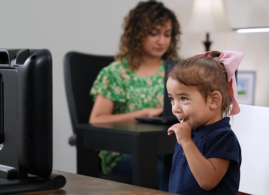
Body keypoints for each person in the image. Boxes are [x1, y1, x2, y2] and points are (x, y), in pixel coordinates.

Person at [89, 0, 181, 191]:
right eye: (153, 33)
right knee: (169, 167)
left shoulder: (177, 71)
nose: (162, 41)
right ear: (137, 34)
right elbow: (97, 120)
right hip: (124, 152)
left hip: (167, 147)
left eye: (167, 34)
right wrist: (145, 113)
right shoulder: (115, 73)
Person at [166, 51, 243, 194]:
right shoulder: (191, 133)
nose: (175, 108)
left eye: (183, 98)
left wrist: (187, 142)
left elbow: (207, 181)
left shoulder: (223, 137)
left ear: (213, 101)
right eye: (172, 99)